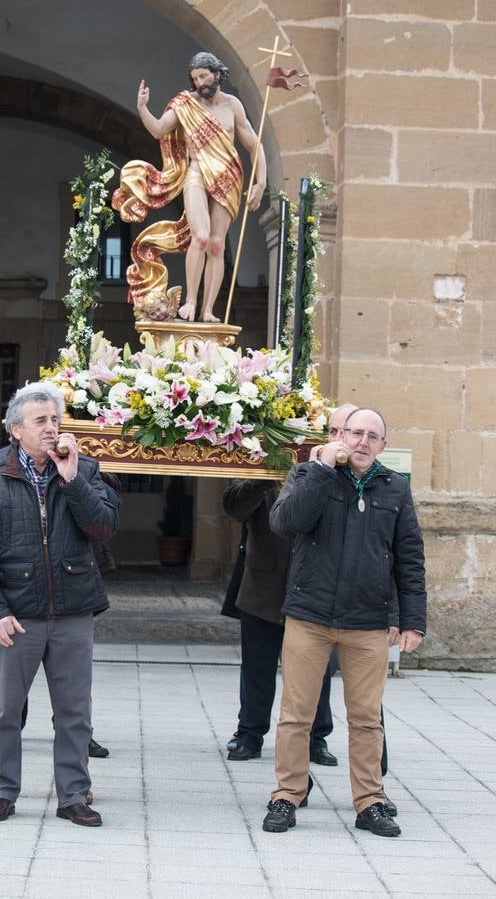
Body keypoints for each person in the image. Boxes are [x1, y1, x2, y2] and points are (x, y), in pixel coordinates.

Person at [0, 382, 120, 826]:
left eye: (55, 420)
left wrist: (71, 480)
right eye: (40, 421)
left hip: (73, 609)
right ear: (16, 431)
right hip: (17, 612)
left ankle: (73, 795)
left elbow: (104, 527)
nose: (51, 429)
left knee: (74, 712)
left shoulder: (83, 471)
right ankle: (2, 789)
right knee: (7, 710)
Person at [263, 407, 426, 837]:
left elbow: (409, 558)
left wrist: (412, 620)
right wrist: (319, 469)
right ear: (340, 436)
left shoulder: (395, 489)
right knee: (296, 714)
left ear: (383, 446)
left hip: (368, 622)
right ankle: (287, 794)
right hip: (310, 616)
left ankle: (370, 801)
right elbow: (285, 522)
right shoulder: (308, 475)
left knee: (367, 718)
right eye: (356, 433)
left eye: (373, 436)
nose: (363, 442)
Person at [113, 51, 266, 323]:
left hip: (228, 176)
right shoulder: (185, 104)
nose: (199, 83)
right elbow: (160, 130)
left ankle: (208, 309)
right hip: (196, 173)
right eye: (195, 78)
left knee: (217, 245)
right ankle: (191, 301)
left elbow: (254, 144)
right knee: (202, 237)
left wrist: (261, 182)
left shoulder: (233, 106)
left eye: (203, 76)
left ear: (217, 74)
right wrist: (142, 108)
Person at [222, 479, 338, 773]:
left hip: (313, 587)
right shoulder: (261, 455)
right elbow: (234, 507)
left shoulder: (327, 470)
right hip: (263, 587)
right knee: (257, 666)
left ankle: (315, 737)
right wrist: (261, 478)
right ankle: (249, 733)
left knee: (317, 668)